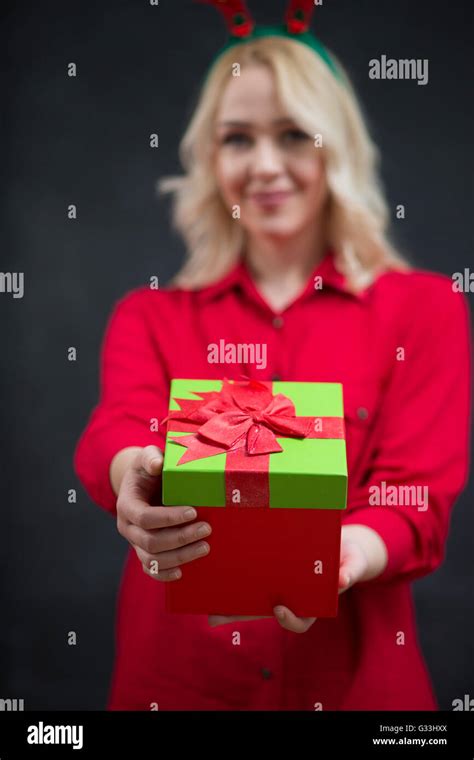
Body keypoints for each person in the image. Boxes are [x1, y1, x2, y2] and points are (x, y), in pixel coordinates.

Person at [73, 1, 471, 710]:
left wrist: (343, 557)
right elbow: (119, 427)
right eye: (236, 139)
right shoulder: (150, 315)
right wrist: (134, 473)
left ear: (337, 148)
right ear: (210, 158)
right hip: (178, 687)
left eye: (294, 134)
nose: (264, 166)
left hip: (358, 690)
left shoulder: (426, 309)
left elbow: (416, 500)